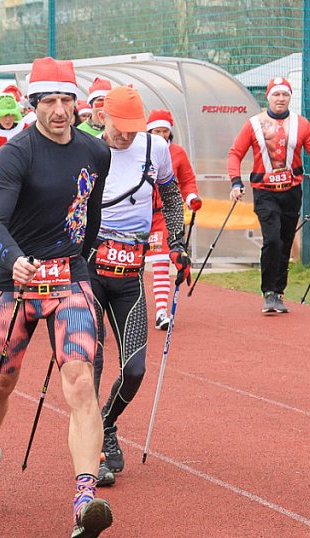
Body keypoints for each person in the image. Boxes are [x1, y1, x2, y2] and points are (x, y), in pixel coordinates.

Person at [0, 57, 113, 538]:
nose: (58, 110)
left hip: (70, 278)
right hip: (17, 282)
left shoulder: (96, 152)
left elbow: (89, 217)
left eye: (66, 101)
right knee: (0, 384)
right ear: (33, 104)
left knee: (80, 381)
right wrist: (15, 259)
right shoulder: (16, 152)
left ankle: (84, 499)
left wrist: (79, 263)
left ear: (77, 105)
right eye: (48, 101)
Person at [86, 88, 187, 488]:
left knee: (135, 369)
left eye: (133, 128)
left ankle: (107, 423)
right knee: (90, 361)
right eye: (119, 128)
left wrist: (178, 242)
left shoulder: (156, 148)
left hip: (130, 271)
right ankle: (91, 450)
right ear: (102, 117)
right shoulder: (85, 150)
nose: (126, 136)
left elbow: (171, 194)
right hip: (89, 268)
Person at [228, 77, 310, 313]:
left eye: (285, 95)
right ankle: (268, 291)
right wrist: (236, 182)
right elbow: (235, 153)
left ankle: (278, 292)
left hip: (292, 191)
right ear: (268, 97)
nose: (280, 99)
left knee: (285, 241)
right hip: (264, 192)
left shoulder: (301, 124)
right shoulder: (254, 124)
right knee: (273, 239)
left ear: (290, 97)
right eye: (276, 94)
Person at [146, 109, 201, 329]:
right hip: (137, 215)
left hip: (163, 216)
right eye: (156, 131)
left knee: (161, 262)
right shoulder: (139, 150)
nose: (161, 135)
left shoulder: (177, 153)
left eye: (164, 131)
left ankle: (161, 312)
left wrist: (191, 198)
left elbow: (187, 181)